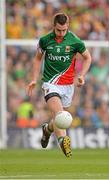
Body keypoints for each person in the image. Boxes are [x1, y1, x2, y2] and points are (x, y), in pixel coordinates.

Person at [27, 13, 92, 157]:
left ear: (67, 26)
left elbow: (88, 58)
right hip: (50, 83)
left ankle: (47, 129)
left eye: (64, 30)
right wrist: (34, 79)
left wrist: (82, 75)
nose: (61, 33)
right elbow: (38, 59)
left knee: (58, 119)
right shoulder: (45, 41)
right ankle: (63, 140)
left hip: (68, 86)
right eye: (58, 30)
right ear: (53, 27)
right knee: (60, 115)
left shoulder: (75, 41)